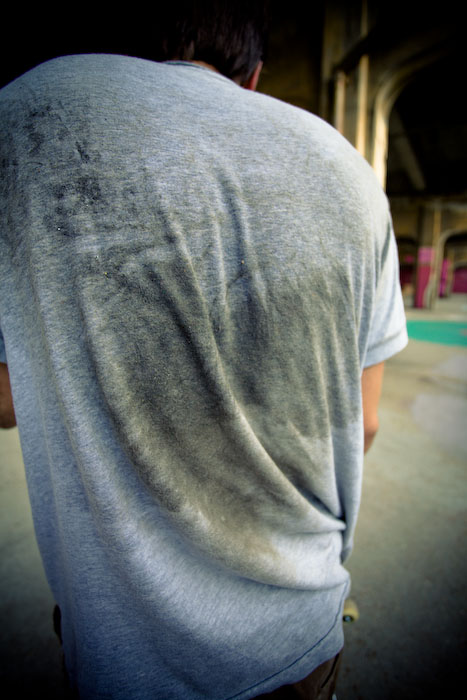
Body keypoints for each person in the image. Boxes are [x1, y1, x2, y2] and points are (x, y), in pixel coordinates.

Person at [0, 2, 407, 698]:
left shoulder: (28, 113)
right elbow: (363, 422)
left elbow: (9, 400)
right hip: (299, 628)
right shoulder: (346, 167)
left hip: (126, 650)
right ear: (253, 75)